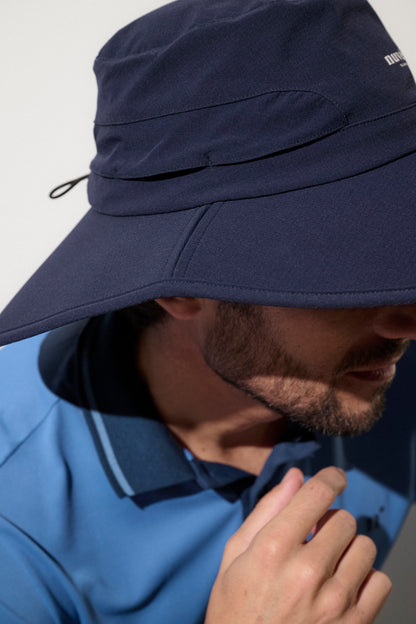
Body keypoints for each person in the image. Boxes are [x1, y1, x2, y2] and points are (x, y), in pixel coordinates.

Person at [0, 0, 415, 622]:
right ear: (180, 290)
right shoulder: (17, 525)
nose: (408, 319)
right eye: (347, 278)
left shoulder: (363, 361)